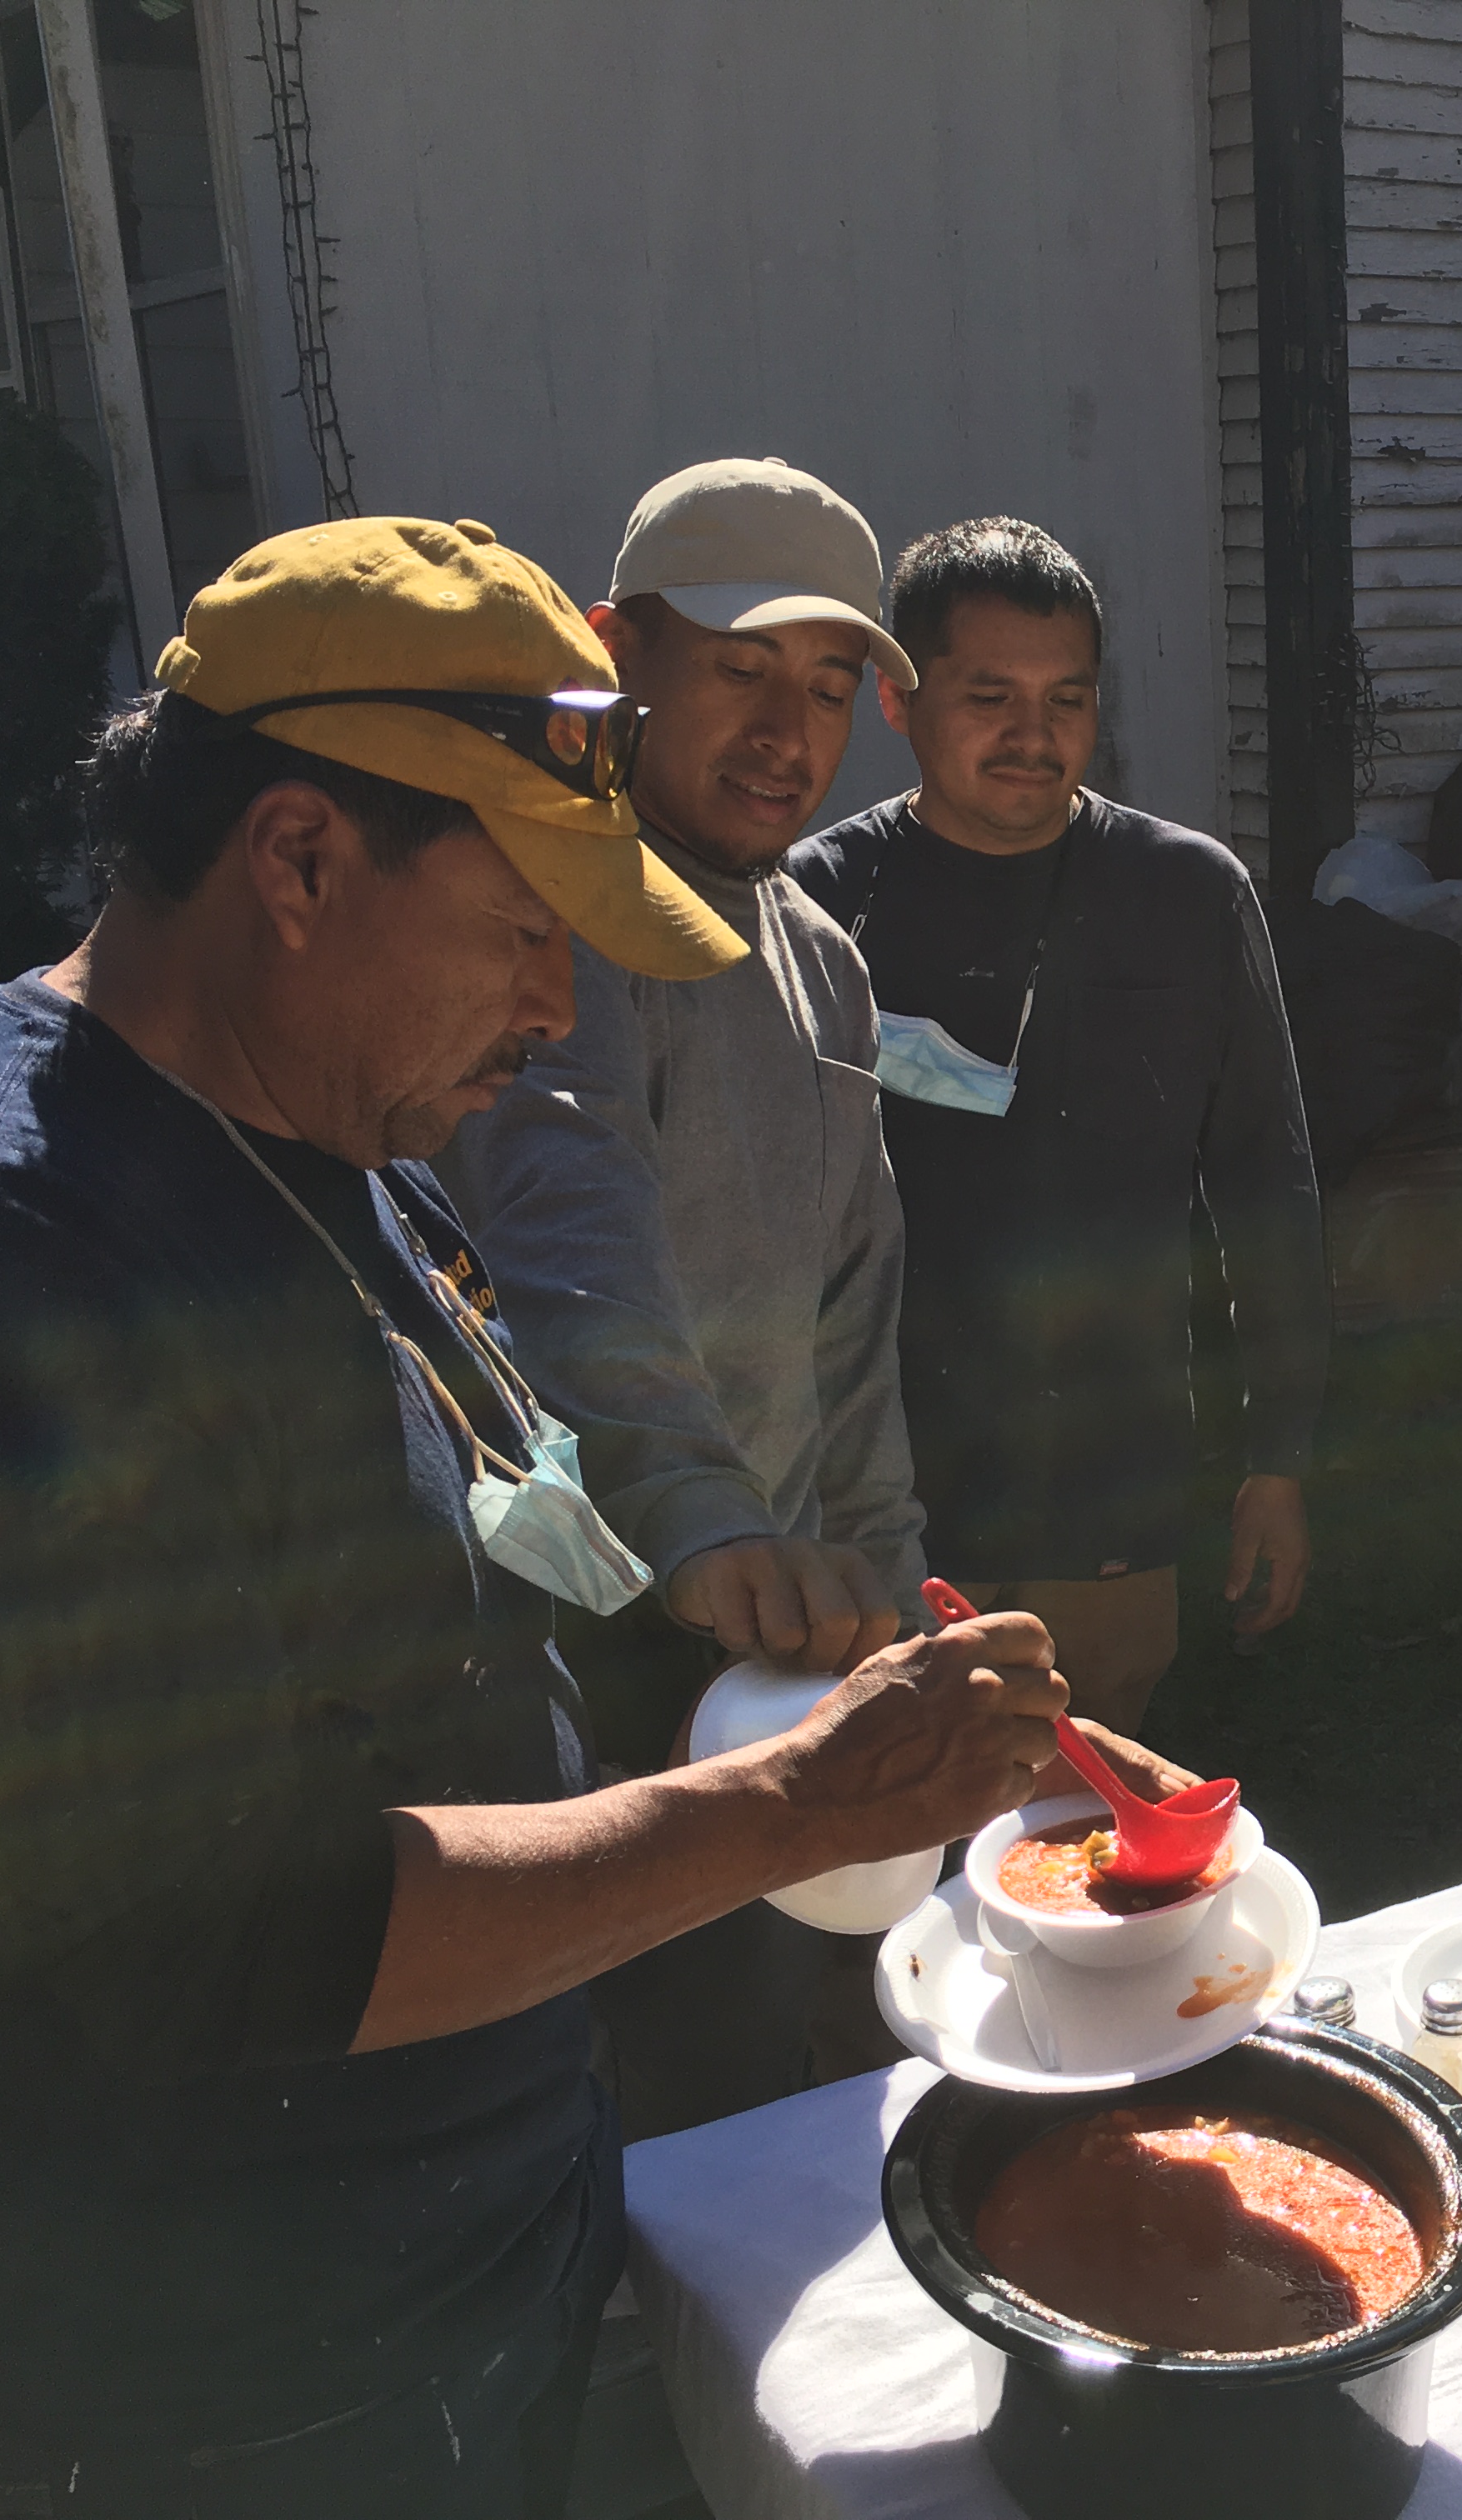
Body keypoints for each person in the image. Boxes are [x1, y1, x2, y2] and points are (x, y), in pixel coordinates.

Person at [0, 516, 1179, 2516]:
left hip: (461, 2272)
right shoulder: (1, 1256)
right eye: (530, 922)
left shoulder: (327, 1136)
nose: (558, 1012)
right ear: (297, 860)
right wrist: (795, 1813)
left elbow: (490, 1580)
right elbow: (214, 1939)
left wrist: (874, 1720)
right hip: (192, 2406)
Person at [438, 458, 934, 2131]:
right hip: (595, 1625)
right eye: (739, 667)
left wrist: (892, 1578)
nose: (789, 730)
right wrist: (712, 1529)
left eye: (830, 684)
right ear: (615, 647)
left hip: (783, 1628)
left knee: (811, 2022)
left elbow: (854, 1310)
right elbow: (571, 1248)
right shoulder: (550, 917)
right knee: (633, 2070)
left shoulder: (822, 952)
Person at [789, 518, 1326, 1736]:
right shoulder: (822, 905)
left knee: (1090, 1815)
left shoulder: (1186, 896)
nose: (1033, 736)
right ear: (897, 700)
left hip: (1111, 1489)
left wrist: (1277, 1454)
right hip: (880, 1488)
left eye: (1066, 698)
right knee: (890, 1825)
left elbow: (1267, 1182)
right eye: (989, 696)